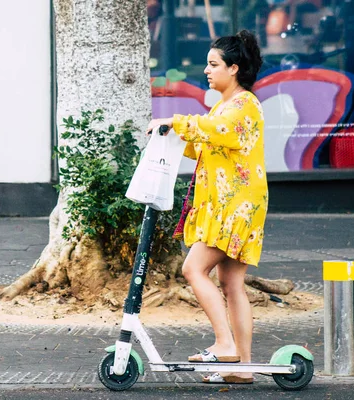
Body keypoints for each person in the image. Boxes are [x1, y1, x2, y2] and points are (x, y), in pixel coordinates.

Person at [146, 30, 267, 385]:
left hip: (236, 207)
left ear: (234, 68)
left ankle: (225, 344)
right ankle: (239, 367)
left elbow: (219, 131)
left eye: (214, 64)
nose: (206, 70)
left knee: (193, 270)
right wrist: (177, 139)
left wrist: (177, 121)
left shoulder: (244, 104)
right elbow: (211, 146)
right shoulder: (225, 106)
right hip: (236, 205)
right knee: (231, 284)